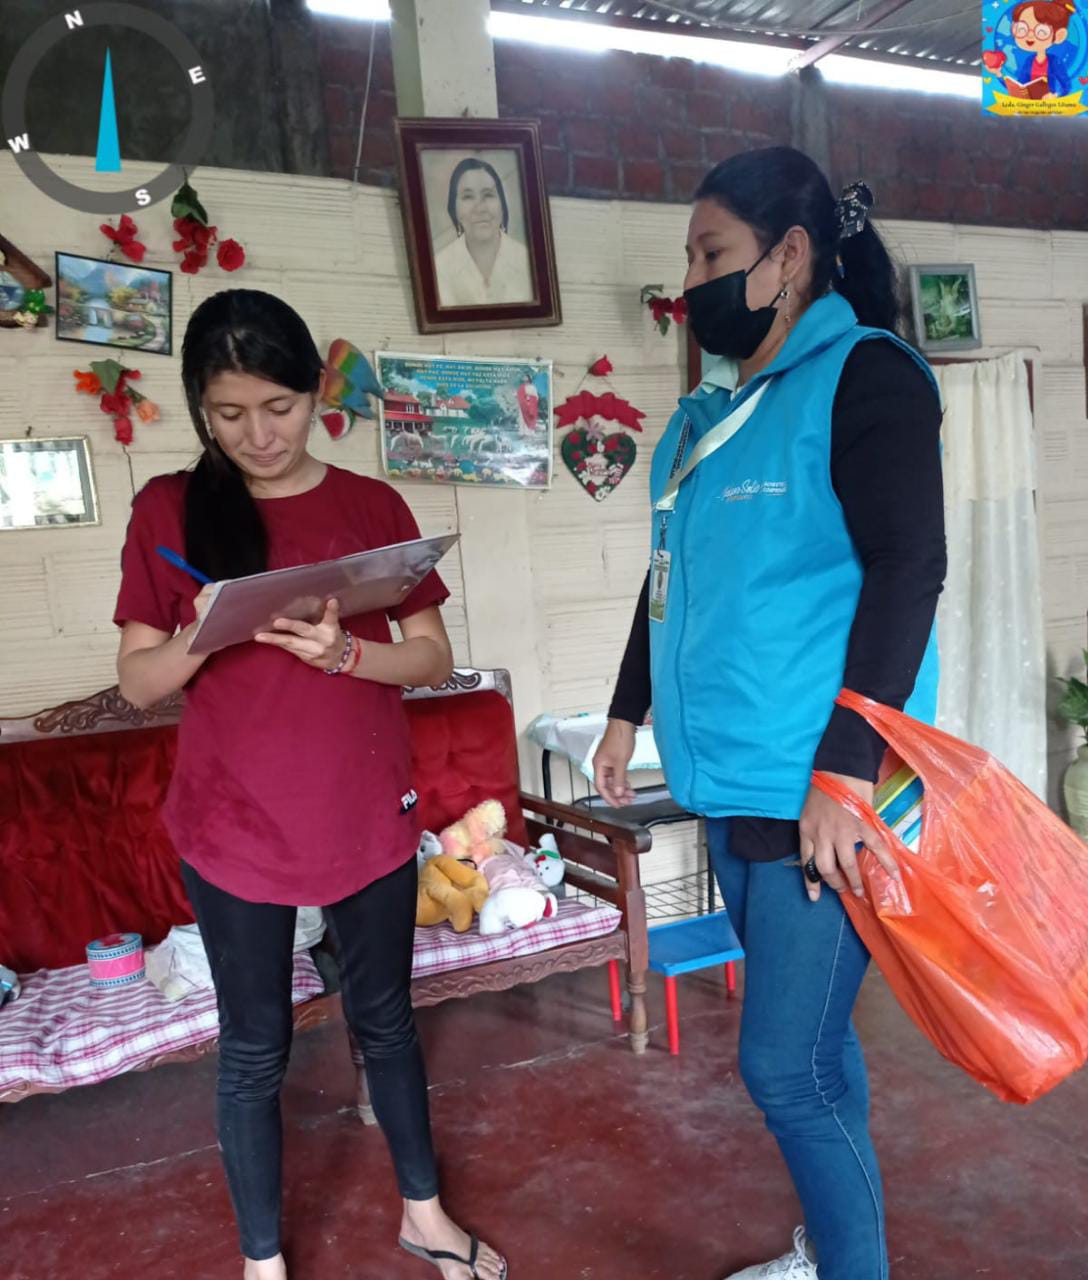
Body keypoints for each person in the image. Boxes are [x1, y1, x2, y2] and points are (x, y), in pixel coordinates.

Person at [593, 148, 946, 1280]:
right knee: (816, 1051)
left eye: (711, 255)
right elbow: (667, 579)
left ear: (788, 257)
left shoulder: (866, 378)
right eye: (688, 258)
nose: (690, 282)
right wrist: (624, 712)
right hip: (734, 783)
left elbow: (908, 572)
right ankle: (836, 1247)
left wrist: (844, 772)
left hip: (823, 792)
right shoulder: (706, 419)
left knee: (783, 1067)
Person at [114, 289, 506, 1280]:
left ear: (316, 392)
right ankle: (264, 1263)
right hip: (234, 823)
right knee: (255, 1049)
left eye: (278, 407)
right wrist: (206, 627)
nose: (258, 434)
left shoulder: (372, 507)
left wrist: (344, 654)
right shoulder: (168, 509)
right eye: (229, 413)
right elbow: (138, 680)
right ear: (200, 408)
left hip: (364, 809)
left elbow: (430, 657)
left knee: (386, 1019)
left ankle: (424, 1215)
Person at [433, 157, 533, 307]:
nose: (480, 208)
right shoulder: (439, 267)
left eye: (488, 195)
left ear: (502, 205)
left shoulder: (528, 261)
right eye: (468, 197)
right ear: (454, 209)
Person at [1004, 1, 1077, 99]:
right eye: (1022, 29)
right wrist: (999, 75)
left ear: (1059, 35)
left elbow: (1067, 86)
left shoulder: (1054, 62)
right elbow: (1020, 84)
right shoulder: (1029, 61)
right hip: (1029, 102)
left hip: (1049, 103)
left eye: (1041, 31)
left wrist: (1055, 95)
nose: (1030, 36)